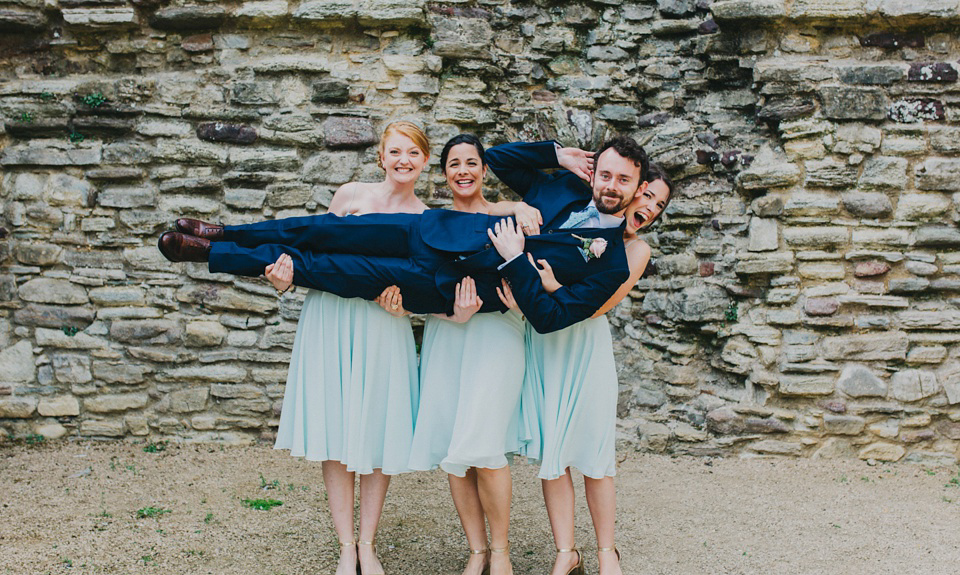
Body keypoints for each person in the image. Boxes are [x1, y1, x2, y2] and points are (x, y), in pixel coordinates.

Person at [157, 136, 651, 334]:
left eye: (622, 180)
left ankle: (209, 254)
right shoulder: (562, 188)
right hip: (431, 231)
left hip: (444, 287)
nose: (611, 185)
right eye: (604, 174)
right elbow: (496, 158)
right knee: (322, 231)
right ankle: (226, 230)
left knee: (327, 269)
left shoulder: (613, 265)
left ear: (635, 189)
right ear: (594, 174)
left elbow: (551, 318)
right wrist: (557, 152)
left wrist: (518, 260)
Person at [272, 121, 430, 575]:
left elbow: (423, 286)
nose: (404, 160)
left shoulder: (427, 217)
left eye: (413, 153)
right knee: (338, 429)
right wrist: (285, 277)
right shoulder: (350, 196)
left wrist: (408, 303)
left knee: (377, 430)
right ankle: (345, 545)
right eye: (395, 151)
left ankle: (368, 542)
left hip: (384, 325)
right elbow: (313, 254)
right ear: (381, 157)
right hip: (332, 320)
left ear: (424, 161)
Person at [380, 134, 536, 575]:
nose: (463, 170)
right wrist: (435, 312)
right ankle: (476, 551)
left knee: (485, 443)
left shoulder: (512, 217)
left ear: (484, 170)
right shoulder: (430, 223)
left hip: (498, 334)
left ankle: (503, 552)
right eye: (454, 164)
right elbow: (420, 288)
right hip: (449, 335)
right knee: (455, 445)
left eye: (472, 162)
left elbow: (532, 274)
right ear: (443, 172)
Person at [516, 164, 673, 575]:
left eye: (659, 205)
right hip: (544, 344)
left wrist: (549, 288)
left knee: (596, 453)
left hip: (585, 347)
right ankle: (566, 551)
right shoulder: (580, 217)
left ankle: (607, 550)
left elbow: (600, 305)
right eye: (648, 196)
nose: (651, 208)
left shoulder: (636, 250)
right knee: (554, 450)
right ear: (632, 192)